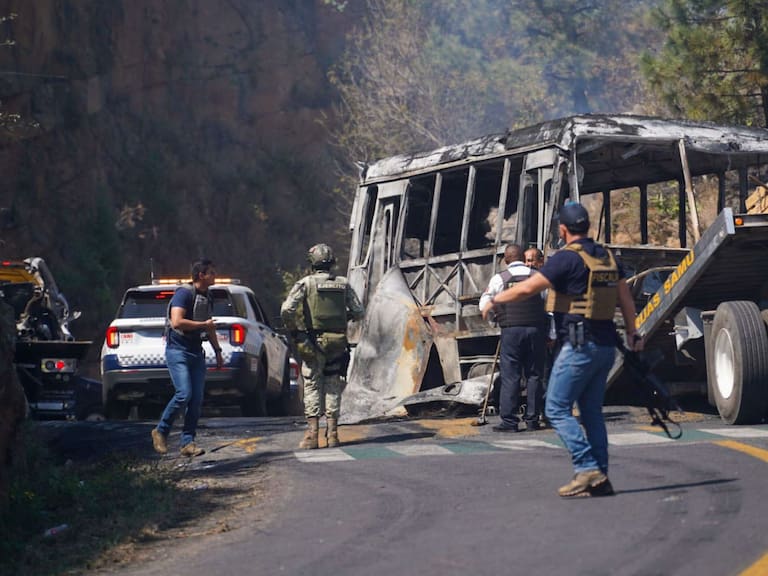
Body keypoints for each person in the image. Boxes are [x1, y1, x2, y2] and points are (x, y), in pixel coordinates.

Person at [482, 202, 643, 498]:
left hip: (579, 345)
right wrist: (634, 332)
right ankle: (600, 477)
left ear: (563, 230)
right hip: (607, 345)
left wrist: (496, 300)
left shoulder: (566, 259)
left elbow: (529, 288)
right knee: (591, 413)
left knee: (556, 407)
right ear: (587, 227)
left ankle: (587, 467)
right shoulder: (607, 257)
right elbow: (626, 299)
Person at [281, 243, 364, 449]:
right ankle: (333, 435)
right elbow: (359, 311)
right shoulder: (343, 284)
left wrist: (295, 331)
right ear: (332, 263)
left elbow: (287, 310)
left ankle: (312, 436)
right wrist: (344, 318)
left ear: (312, 263)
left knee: (312, 385)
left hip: (313, 342)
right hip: (338, 342)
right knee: (333, 385)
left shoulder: (305, 283)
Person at [152, 259, 223, 457]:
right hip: (178, 351)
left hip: (196, 352)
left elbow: (209, 326)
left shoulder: (207, 296)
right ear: (201, 275)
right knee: (184, 394)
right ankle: (161, 431)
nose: (215, 276)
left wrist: (218, 351)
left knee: (196, 399)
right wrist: (203, 325)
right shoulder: (184, 294)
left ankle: (187, 443)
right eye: (211, 272)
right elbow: (177, 322)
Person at [479, 244, 547, 433]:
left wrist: (495, 318)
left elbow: (484, 304)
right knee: (534, 375)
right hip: (535, 329)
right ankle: (532, 419)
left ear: (506, 259)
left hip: (511, 330)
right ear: (523, 258)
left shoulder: (500, 278)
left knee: (511, 375)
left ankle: (509, 421)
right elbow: (548, 305)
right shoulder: (538, 277)